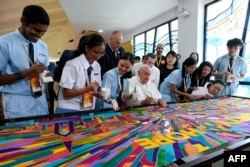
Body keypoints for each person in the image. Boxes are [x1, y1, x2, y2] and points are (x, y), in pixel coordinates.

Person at [0, 5, 50, 119]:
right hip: (18, 101)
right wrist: (24, 73)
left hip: (40, 100)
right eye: (36, 30)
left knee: (43, 135)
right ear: (23, 21)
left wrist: (47, 75)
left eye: (43, 33)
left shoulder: (43, 46)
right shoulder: (4, 43)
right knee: (22, 136)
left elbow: (45, 73)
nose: (39, 36)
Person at [55, 34, 105, 113]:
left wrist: (98, 94)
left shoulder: (97, 66)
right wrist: (87, 89)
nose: (98, 56)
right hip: (69, 107)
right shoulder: (72, 64)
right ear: (87, 48)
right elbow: (66, 93)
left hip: (87, 106)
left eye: (102, 53)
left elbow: (92, 88)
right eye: (96, 52)